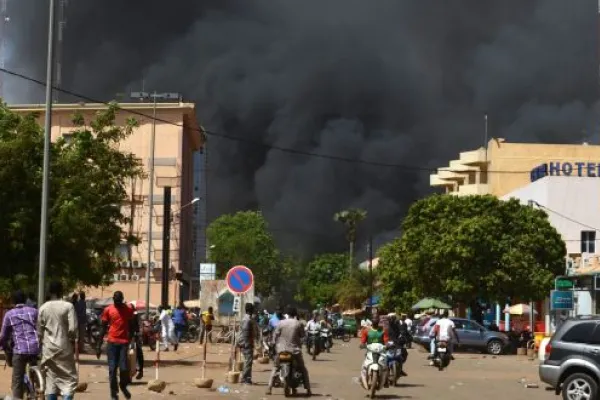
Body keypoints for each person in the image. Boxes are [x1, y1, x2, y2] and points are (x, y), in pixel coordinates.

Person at [38, 281, 78, 400]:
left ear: (50, 292)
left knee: (51, 380)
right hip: (64, 347)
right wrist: (71, 340)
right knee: (69, 379)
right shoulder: (68, 306)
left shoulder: (43, 308)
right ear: (61, 291)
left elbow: (39, 331)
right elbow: (72, 329)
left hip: (49, 349)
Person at [0, 290, 40, 400]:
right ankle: (37, 385)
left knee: (17, 380)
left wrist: (2, 345)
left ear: (13, 301)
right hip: (35, 348)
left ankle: (18, 397)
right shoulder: (34, 311)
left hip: (20, 350)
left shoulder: (9, 314)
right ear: (25, 300)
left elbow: (3, 335)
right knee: (34, 365)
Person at [97, 291, 135, 400]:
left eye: (119, 301)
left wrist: (131, 338)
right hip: (112, 343)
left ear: (122, 299)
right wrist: (98, 346)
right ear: (113, 299)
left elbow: (132, 325)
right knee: (112, 370)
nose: (117, 303)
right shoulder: (108, 310)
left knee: (123, 369)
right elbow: (103, 328)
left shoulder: (128, 309)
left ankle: (123, 386)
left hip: (123, 343)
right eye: (115, 301)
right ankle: (114, 394)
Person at [266, 306, 311, 396]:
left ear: (287, 314)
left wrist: (273, 344)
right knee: (303, 369)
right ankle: (308, 389)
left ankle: (269, 388)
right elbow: (302, 336)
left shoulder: (281, 323)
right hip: (294, 351)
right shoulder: (298, 324)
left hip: (281, 350)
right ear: (295, 314)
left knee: (275, 367)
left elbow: (275, 336)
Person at [239, 303, 258, 385]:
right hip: (246, 343)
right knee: (248, 361)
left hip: (244, 342)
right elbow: (246, 333)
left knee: (248, 361)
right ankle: (244, 378)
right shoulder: (248, 320)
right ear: (251, 310)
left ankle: (248, 379)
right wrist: (249, 343)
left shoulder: (245, 318)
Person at [129, 303, 144, 380]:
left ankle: (140, 370)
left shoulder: (136, 316)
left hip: (135, 336)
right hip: (126, 337)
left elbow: (141, 326)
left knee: (138, 350)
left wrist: (139, 333)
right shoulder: (124, 315)